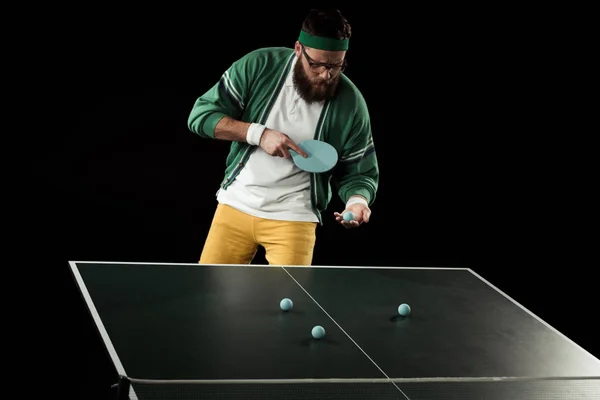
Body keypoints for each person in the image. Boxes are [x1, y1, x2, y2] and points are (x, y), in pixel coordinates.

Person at [187, 8, 379, 266]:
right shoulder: (259, 65)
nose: (326, 75)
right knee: (213, 296)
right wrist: (258, 133)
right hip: (235, 206)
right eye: (317, 65)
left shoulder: (351, 104)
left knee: (289, 304)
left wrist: (357, 201)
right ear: (298, 49)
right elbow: (200, 116)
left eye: (336, 66)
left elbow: (361, 172)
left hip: (295, 217)